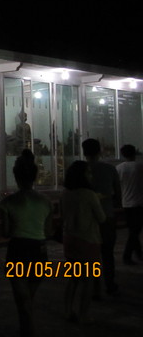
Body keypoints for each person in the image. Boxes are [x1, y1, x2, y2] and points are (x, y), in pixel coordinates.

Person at [0, 149, 53, 337]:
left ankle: (28, 330)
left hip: (18, 250)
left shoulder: (7, 202)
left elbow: (5, 232)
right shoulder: (46, 202)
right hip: (38, 250)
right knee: (28, 297)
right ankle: (27, 330)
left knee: (22, 299)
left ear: (16, 177)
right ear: (35, 177)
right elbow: (49, 232)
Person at [62, 160, 105, 324]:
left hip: (70, 239)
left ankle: (67, 311)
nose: (91, 175)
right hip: (88, 240)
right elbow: (101, 218)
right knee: (88, 280)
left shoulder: (65, 193)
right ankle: (83, 314)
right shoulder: (89, 194)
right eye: (88, 172)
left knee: (73, 277)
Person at [82, 138, 121, 297]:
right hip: (106, 214)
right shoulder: (110, 169)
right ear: (99, 151)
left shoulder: (80, 170)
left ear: (84, 152)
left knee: (91, 254)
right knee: (107, 252)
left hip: (88, 217)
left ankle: (95, 287)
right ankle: (110, 283)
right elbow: (118, 193)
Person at [116, 144, 143, 264]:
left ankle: (138, 254)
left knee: (133, 229)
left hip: (126, 202)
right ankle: (127, 256)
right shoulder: (140, 166)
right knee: (135, 231)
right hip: (139, 202)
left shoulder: (119, 168)